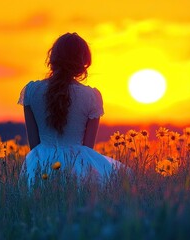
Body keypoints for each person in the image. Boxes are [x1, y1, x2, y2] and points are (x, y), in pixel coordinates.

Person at [18, 32, 124, 186]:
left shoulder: (32, 91)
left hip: (40, 165)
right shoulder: (91, 96)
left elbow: (34, 145)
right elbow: (87, 150)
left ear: (53, 58)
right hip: (76, 166)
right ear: (83, 62)